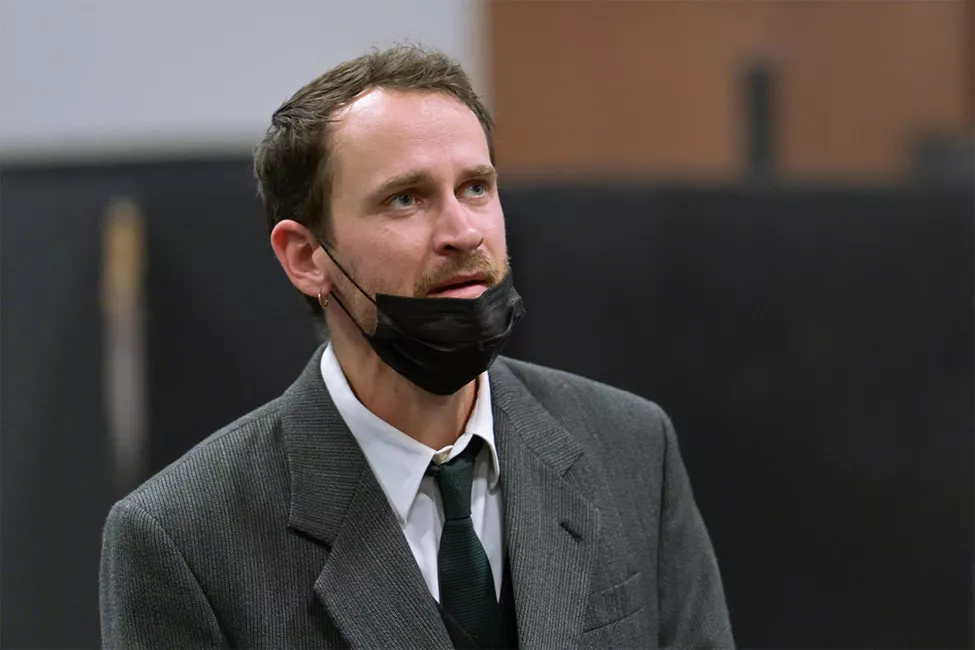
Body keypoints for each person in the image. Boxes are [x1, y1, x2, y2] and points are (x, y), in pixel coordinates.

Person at [99, 44, 734, 649]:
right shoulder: (184, 540)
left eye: (476, 188)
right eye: (406, 199)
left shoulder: (632, 448)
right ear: (305, 257)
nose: (463, 232)